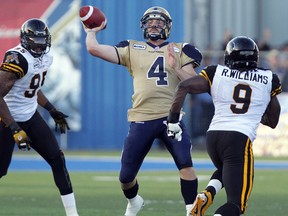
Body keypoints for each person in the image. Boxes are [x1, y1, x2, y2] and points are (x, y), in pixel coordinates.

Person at [83, 6, 202, 216]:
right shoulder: (131, 47)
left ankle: (191, 210)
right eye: (150, 22)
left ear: (168, 27)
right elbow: (94, 49)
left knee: (186, 164)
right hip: (141, 118)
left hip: (171, 119)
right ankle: (134, 201)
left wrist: (176, 68)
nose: (154, 26)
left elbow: (193, 84)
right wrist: (91, 32)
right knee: (126, 177)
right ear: (143, 26)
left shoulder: (182, 49)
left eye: (159, 22)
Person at [167, 36, 282, 216]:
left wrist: (173, 120)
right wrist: (254, 110)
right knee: (236, 205)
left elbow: (183, 86)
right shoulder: (269, 78)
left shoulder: (216, 72)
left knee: (225, 169)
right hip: (239, 139)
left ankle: (207, 195)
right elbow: (273, 121)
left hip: (213, 138)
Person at [0, 18, 79, 216]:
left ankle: (72, 214)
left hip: (30, 116)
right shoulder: (17, 59)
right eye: (34, 40)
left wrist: (52, 109)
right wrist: (14, 128)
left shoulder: (46, 57)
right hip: (5, 119)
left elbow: (32, 88)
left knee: (57, 159)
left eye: (42, 40)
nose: (39, 44)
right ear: (25, 39)